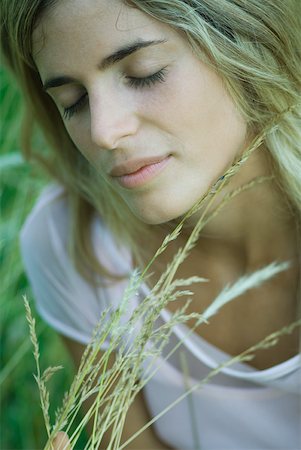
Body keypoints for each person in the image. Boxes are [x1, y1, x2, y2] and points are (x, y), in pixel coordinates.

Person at [1, 0, 301, 448]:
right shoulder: (74, 242)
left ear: (246, 45)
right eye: (73, 101)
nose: (104, 131)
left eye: (145, 73)